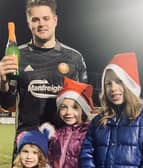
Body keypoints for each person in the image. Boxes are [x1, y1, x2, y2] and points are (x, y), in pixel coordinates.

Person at [0, 0, 87, 152]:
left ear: (55, 20)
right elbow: (7, 103)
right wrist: (2, 81)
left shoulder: (74, 59)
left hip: (62, 147)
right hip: (27, 147)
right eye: (35, 19)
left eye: (46, 18)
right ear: (28, 23)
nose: (41, 24)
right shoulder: (17, 56)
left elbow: (84, 109)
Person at [80, 52, 143, 167]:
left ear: (130, 83)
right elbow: (86, 154)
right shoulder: (98, 121)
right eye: (108, 84)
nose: (113, 88)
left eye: (119, 81)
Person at [41, 77, 94, 168]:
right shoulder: (56, 135)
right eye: (63, 107)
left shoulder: (89, 134)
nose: (68, 112)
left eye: (75, 107)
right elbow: (49, 159)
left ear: (83, 110)